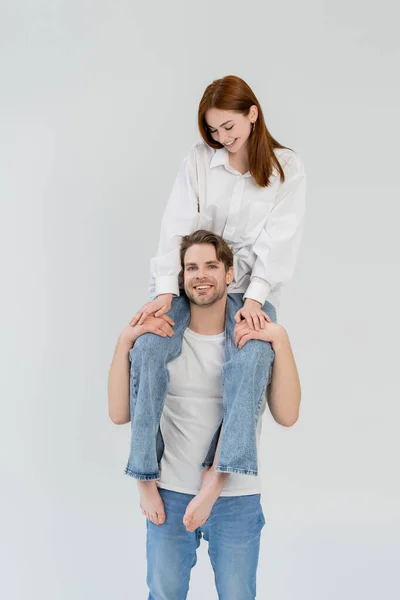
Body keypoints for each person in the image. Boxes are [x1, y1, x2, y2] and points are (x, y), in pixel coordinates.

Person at [126, 75, 306, 526]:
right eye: (212, 131)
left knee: (250, 362)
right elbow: (176, 226)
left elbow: (280, 243)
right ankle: (145, 470)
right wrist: (167, 290)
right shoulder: (199, 162)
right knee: (147, 348)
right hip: (193, 282)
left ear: (253, 113)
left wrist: (256, 299)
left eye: (229, 127)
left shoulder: (286, 169)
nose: (222, 139)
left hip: (248, 291)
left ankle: (219, 474)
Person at [108, 232, 301, 599]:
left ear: (230, 274)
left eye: (211, 265)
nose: (201, 275)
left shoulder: (253, 342)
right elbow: (120, 414)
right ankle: (146, 480)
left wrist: (280, 339)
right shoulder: (160, 339)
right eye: (191, 267)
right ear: (180, 278)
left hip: (236, 496)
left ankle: (217, 478)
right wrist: (124, 341)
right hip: (169, 493)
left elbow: (288, 416)